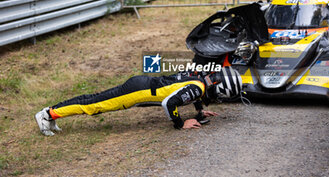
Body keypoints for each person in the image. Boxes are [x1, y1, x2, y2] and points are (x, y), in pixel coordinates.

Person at [35, 66, 242, 136]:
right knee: (93, 105)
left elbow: (190, 92)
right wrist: (181, 123)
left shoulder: (199, 78)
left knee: (93, 100)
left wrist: (199, 112)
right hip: (137, 91)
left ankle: (51, 113)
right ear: (218, 87)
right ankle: (47, 114)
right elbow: (169, 103)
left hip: (141, 85)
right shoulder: (198, 87)